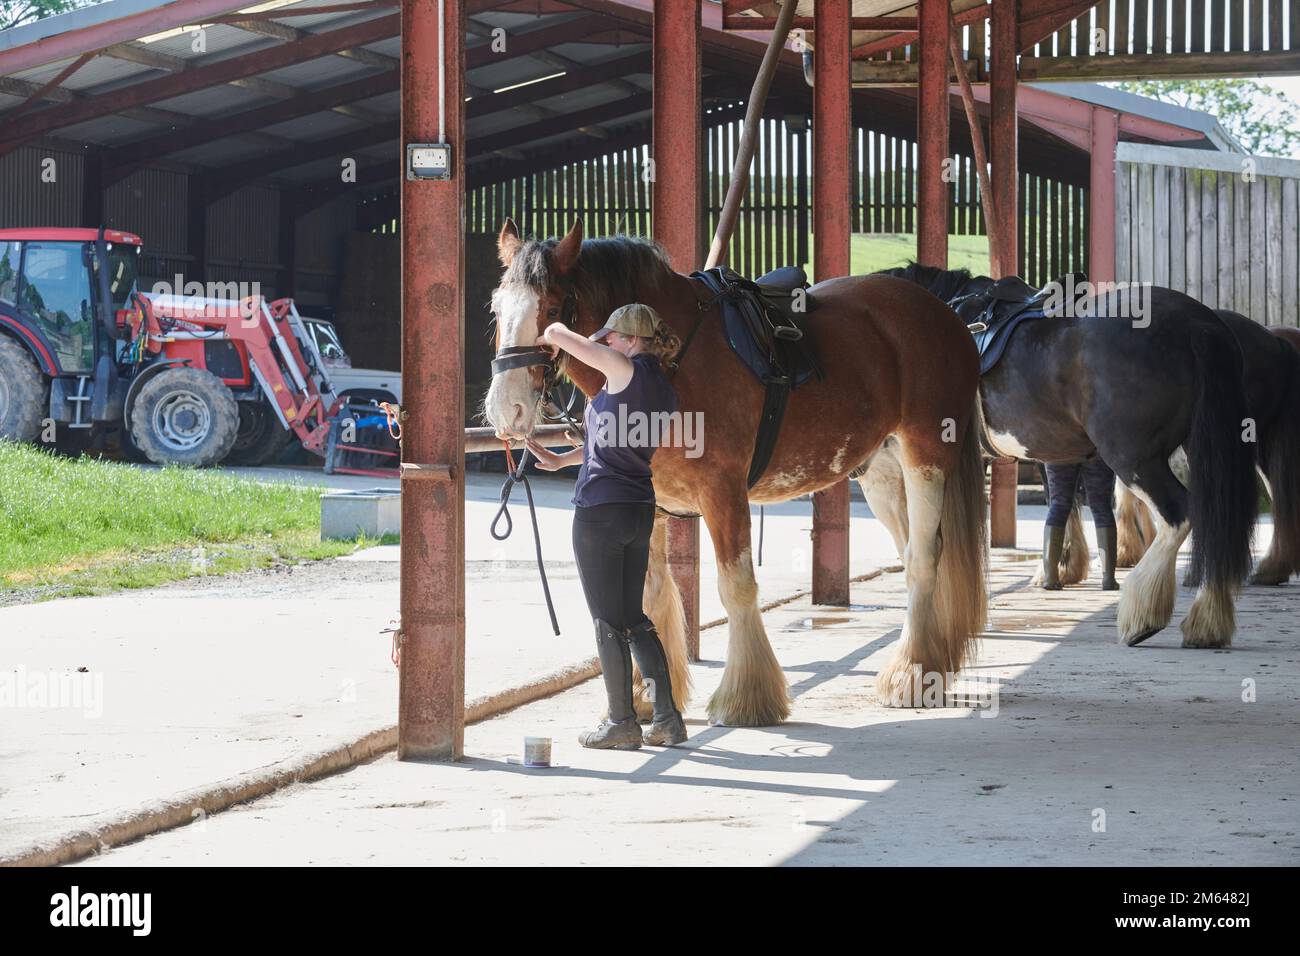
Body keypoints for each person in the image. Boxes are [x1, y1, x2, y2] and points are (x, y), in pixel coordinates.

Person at [525, 303, 687, 750]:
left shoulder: (623, 369)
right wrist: (562, 459)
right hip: (638, 508)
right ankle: (668, 719)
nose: (606, 344)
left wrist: (549, 328)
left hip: (600, 511)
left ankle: (621, 721)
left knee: (608, 622)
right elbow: (613, 443)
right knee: (634, 619)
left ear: (631, 341)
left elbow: (567, 340)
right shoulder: (663, 390)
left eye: (612, 337)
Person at [1041, 457, 1118, 591]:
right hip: (1095, 447)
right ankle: (1108, 579)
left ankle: (1051, 578)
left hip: (1060, 447)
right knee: (1101, 507)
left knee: (1058, 504)